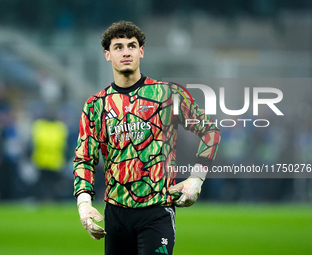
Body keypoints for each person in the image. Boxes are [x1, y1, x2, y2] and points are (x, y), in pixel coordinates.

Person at [73, 21, 221, 255]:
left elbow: (210, 131)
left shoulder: (167, 94)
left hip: (157, 211)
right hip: (115, 214)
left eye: (132, 46)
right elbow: (84, 159)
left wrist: (197, 178)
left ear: (141, 51)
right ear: (107, 55)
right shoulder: (95, 105)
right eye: (118, 47)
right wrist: (83, 203)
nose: (126, 52)